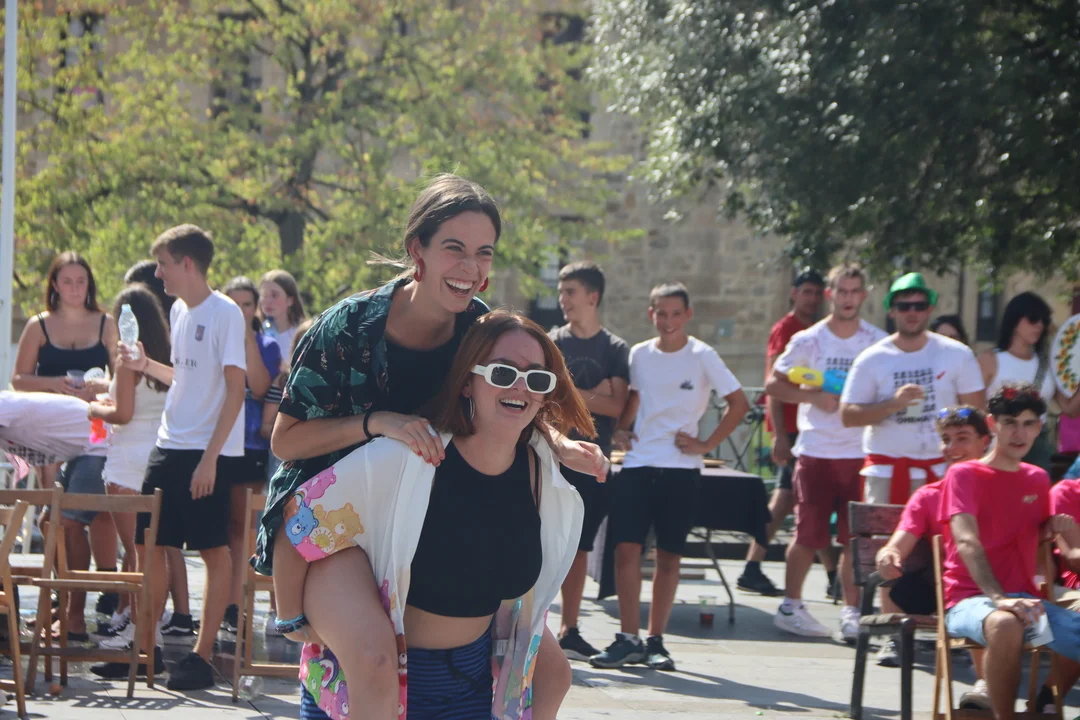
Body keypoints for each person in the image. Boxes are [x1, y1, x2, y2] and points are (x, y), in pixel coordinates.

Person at [255, 174, 605, 720]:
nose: (471, 267)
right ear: (416, 249)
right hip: (335, 519)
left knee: (552, 671)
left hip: (420, 510)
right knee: (373, 659)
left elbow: (509, 391)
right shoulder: (347, 326)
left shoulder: (477, 327)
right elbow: (287, 440)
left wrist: (557, 441)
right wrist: (377, 423)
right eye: (454, 248)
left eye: (484, 252)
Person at [272, 311, 591, 720]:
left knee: (555, 673)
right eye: (502, 372)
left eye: (537, 379)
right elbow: (299, 519)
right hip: (374, 690)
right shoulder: (411, 456)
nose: (520, 386)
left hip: (469, 687)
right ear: (467, 383)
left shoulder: (539, 474)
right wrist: (291, 619)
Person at [102, 224, 248, 688]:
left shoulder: (225, 312)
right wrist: (146, 365)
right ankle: (147, 649)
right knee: (148, 545)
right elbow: (185, 377)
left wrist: (210, 458)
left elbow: (236, 388)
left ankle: (201, 658)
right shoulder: (180, 310)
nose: (158, 274)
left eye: (163, 264)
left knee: (212, 550)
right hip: (167, 446)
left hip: (205, 451)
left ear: (187, 263)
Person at [594, 282, 750, 671]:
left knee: (669, 555)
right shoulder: (640, 353)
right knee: (625, 550)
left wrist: (706, 444)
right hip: (638, 464)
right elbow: (635, 397)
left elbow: (739, 403)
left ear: (688, 315)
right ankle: (627, 638)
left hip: (681, 469)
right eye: (660, 313)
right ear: (651, 314)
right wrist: (622, 428)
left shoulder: (703, 355)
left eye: (675, 313)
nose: (667, 321)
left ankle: (656, 641)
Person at [939, 383, 1080, 720]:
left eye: (1029, 423)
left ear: (1039, 427)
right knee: (1005, 624)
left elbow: (1040, 541)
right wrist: (999, 597)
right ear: (992, 424)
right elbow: (967, 540)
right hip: (969, 600)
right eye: (1010, 423)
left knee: (1015, 620)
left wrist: (1053, 528)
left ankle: (1043, 706)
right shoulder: (963, 473)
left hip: (1029, 602)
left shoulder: (1037, 478)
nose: (1020, 433)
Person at [766, 264, 886, 640]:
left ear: (864, 295)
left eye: (854, 292)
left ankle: (852, 611)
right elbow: (774, 384)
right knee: (808, 534)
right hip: (816, 449)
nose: (848, 299)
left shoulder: (878, 342)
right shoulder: (810, 339)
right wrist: (812, 397)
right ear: (831, 294)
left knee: (855, 538)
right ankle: (790, 606)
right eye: (842, 291)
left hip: (861, 451)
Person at [11, 251, 121, 635]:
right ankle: (60, 601)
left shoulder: (106, 323)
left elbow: (124, 377)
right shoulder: (38, 325)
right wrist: (54, 384)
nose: (75, 288)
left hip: (94, 432)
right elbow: (19, 380)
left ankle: (81, 606)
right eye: (67, 281)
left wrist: (98, 387)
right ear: (54, 285)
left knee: (80, 516)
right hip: (48, 434)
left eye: (81, 281)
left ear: (90, 284)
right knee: (52, 519)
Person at [841, 272, 986, 506]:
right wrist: (893, 405)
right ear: (892, 311)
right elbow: (848, 416)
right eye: (904, 306)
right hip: (887, 472)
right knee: (884, 531)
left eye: (920, 306)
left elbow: (977, 414)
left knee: (944, 531)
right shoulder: (872, 358)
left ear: (930, 309)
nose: (912, 312)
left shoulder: (957, 354)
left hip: (943, 469)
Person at [874, 406, 992, 690]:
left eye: (962, 438)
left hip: (1004, 589)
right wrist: (888, 554)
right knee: (894, 579)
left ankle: (1043, 699)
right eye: (946, 439)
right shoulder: (929, 495)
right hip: (956, 592)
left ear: (985, 441)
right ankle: (986, 688)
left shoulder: (1007, 487)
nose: (951, 448)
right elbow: (899, 542)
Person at [548, 261, 630, 662]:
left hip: (594, 461)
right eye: (561, 292)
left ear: (593, 297)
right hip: (553, 456)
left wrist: (570, 391)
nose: (562, 300)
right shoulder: (552, 343)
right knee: (546, 543)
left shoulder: (615, 348)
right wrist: (594, 393)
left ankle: (570, 629)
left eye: (570, 292)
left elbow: (617, 405)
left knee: (579, 547)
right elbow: (546, 398)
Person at [84, 285, 171, 651]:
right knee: (154, 552)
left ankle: (138, 631)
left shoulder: (126, 357)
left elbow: (123, 414)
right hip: (158, 457)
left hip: (126, 463)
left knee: (135, 555)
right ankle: (146, 627)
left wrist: (93, 408)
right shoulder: (166, 357)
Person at [738, 268, 825, 597]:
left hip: (809, 427)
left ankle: (830, 573)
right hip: (791, 429)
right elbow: (773, 383)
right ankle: (752, 564)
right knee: (790, 498)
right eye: (806, 292)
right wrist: (779, 435)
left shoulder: (816, 330)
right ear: (794, 294)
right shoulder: (785, 329)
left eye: (816, 293)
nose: (812, 298)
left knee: (804, 498)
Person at [123, 260, 196, 642]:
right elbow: (180, 380)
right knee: (164, 544)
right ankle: (174, 617)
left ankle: (142, 624)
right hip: (166, 447)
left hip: (159, 448)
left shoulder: (182, 322)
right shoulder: (173, 328)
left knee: (147, 545)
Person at [220, 277, 280, 635]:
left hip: (250, 446)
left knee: (242, 527)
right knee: (217, 529)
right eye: (233, 304)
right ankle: (218, 603)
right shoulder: (213, 338)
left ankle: (235, 605)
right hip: (215, 442)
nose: (240, 311)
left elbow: (259, 388)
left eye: (246, 305)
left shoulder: (267, 345)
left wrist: (244, 337)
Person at [977, 292, 1080, 472]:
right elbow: (976, 410)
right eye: (1033, 319)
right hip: (999, 445)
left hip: (1037, 448)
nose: (1039, 325)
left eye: (1043, 321)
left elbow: (1069, 409)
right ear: (1015, 319)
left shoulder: (1047, 364)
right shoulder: (990, 360)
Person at [259, 269, 307, 352]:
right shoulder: (258, 333)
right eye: (264, 295)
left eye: (274, 295)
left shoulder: (303, 335)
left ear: (290, 300)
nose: (268, 301)